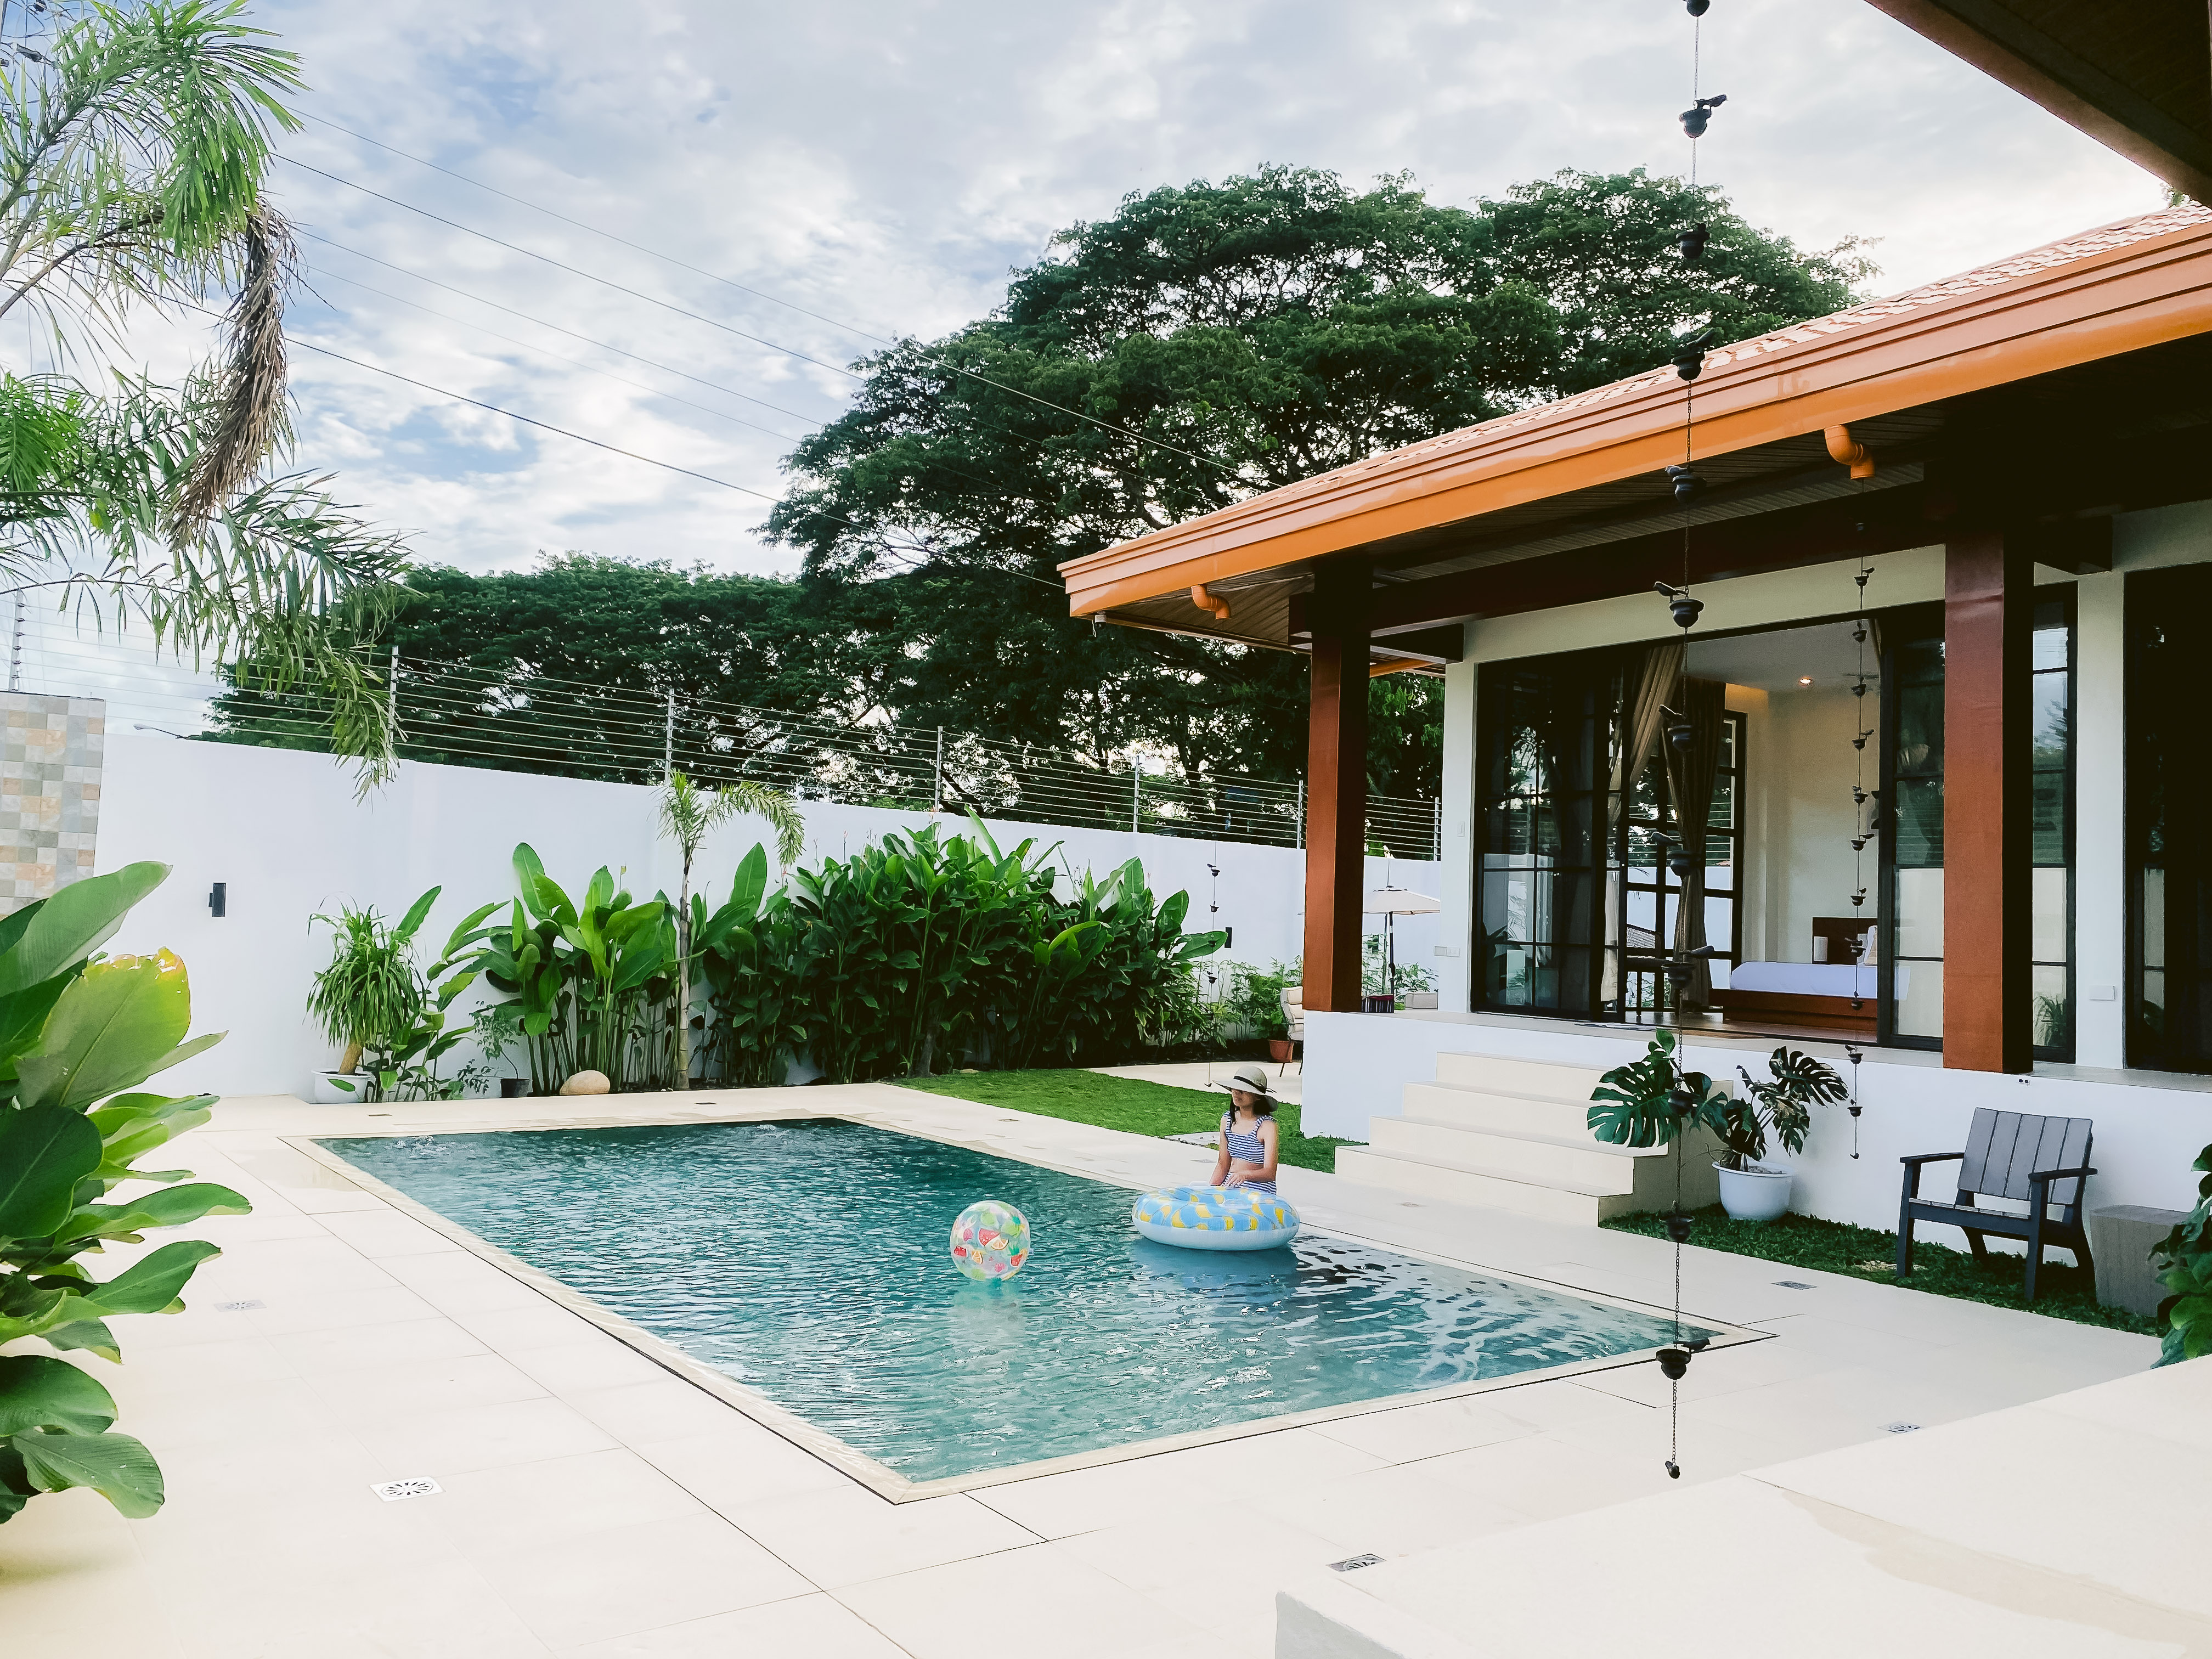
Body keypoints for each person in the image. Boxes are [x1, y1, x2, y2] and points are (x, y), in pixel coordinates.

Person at [1210, 1062, 1281, 1194]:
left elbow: (1270, 1173)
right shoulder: (1227, 1120)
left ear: (1257, 1096)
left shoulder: (1267, 1126)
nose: (1236, 1093)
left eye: (1243, 1090)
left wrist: (1245, 1175)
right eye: (1234, 1088)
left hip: (1258, 1192)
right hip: (1230, 1187)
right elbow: (1223, 1165)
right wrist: (1210, 1191)